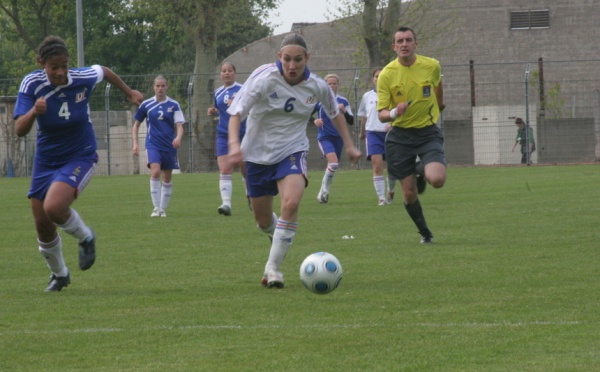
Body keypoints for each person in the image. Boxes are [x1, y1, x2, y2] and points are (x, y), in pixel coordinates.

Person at [227, 33, 361, 288]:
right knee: (263, 222)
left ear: (307, 58)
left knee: (291, 201)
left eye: (298, 60)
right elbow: (236, 113)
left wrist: (351, 146)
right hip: (255, 155)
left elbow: (336, 114)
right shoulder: (264, 77)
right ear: (279, 57)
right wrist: (234, 146)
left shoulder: (317, 85)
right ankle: (278, 235)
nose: (292, 65)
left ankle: (273, 269)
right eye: (287, 59)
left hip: (292, 150)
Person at [13, 36, 143, 292]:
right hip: (46, 158)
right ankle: (60, 274)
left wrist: (129, 92)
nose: (61, 72)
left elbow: (103, 71)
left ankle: (86, 237)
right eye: (54, 67)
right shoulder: (32, 84)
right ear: (42, 64)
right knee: (42, 223)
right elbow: (19, 129)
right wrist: (33, 112)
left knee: (54, 207)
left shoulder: (82, 77)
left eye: (65, 65)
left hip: (80, 154)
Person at [377, 26, 446, 244]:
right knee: (408, 194)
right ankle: (425, 233)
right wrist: (396, 111)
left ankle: (420, 170)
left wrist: (440, 106)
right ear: (394, 46)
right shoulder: (387, 74)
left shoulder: (431, 65)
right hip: (400, 137)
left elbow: (437, 85)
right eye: (400, 41)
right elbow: (381, 115)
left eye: (408, 40)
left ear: (416, 43)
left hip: (427, 132)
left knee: (437, 179)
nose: (404, 44)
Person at [132, 76, 184, 218]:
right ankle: (156, 208)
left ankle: (162, 209)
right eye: (158, 86)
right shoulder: (146, 105)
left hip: (169, 145)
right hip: (153, 144)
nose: (160, 88)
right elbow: (136, 125)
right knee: (155, 172)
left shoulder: (174, 105)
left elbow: (179, 125)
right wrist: (135, 143)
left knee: (166, 177)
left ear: (167, 87)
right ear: (153, 87)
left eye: (163, 86)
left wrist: (178, 138)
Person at [207, 62, 249, 216]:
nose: (227, 73)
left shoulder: (243, 89)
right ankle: (226, 204)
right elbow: (220, 110)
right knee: (225, 169)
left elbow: (250, 109)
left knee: (245, 169)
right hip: (223, 134)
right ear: (220, 74)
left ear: (234, 73)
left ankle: (250, 195)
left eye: (230, 70)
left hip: (243, 134)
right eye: (224, 71)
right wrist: (213, 111)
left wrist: (238, 105)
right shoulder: (217, 92)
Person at [358, 67, 397, 206]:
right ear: (373, 79)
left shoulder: (393, 95)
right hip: (373, 133)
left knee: (392, 167)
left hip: (390, 133)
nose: (379, 78)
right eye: (376, 76)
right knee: (377, 165)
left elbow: (399, 113)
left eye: (382, 76)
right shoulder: (367, 96)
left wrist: (393, 124)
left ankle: (391, 190)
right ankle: (381, 198)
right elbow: (364, 116)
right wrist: (362, 133)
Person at [312, 74, 354, 204]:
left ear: (338, 85)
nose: (332, 86)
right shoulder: (318, 100)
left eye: (334, 83)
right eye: (329, 84)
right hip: (324, 136)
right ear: (325, 85)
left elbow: (351, 121)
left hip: (338, 138)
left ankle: (323, 194)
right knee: (334, 163)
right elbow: (306, 113)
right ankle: (323, 192)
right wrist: (315, 120)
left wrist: (344, 112)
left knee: (332, 166)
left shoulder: (343, 101)